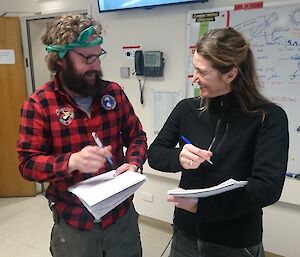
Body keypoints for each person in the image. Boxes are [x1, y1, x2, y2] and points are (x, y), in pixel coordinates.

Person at [148, 27, 288, 257]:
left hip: (235, 242)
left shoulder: (269, 118)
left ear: (231, 74)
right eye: (194, 68)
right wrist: (178, 157)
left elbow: (266, 189)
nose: (194, 78)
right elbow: (154, 154)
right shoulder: (186, 109)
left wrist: (201, 207)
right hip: (185, 234)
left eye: (202, 72)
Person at [17, 14, 147, 257]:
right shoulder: (39, 104)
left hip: (121, 219)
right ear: (60, 60)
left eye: (98, 55)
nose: (96, 65)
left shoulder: (113, 93)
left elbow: (137, 136)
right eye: (87, 58)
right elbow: (27, 164)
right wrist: (70, 162)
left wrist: (133, 163)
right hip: (74, 226)